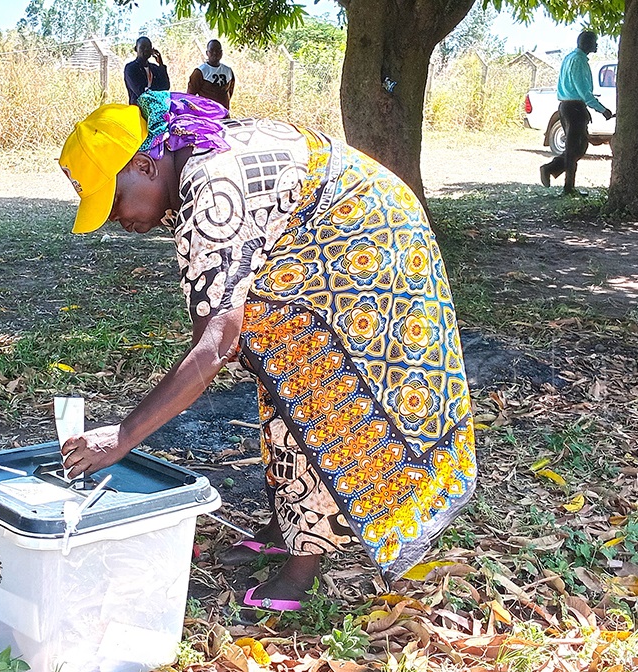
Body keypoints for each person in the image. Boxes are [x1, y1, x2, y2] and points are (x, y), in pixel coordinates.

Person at [57, 92, 477, 610]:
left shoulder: (214, 186)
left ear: (145, 164)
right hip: (323, 250)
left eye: (114, 202)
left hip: (370, 251)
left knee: (322, 387)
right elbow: (215, 313)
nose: (116, 219)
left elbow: (214, 344)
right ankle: (289, 527)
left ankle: (304, 569)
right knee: (272, 358)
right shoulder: (191, 171)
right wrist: (222, 342)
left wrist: (122, 436)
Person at [539, 31, 613, 196]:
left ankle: (555, 173)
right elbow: (584, 92)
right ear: (586, 44)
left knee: (578, 148)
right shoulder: (578, 61)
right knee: (575, 149)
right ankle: (564, 184)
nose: (596, 45)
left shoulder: (569, 57)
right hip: (574, 108)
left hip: (566, 106)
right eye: (594, 42)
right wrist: (602, 110)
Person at [186, 39, 235, 110]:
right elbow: (190, 96)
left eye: (218, 51)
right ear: (207, 53)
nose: (215, 53)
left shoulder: (228, 71)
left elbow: (230, 92)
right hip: (207, 115)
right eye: (211, 51)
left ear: (221, 53)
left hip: (224, 114)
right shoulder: (200, 71)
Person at [124, 37, 170, 105]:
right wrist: (157, 91)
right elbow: (140, 92)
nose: (146, 50)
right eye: (142, 47)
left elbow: (166, 87)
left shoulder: (155, 68)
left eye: (149, 47)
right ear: (136, 49)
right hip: (137, 110)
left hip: (156, 107)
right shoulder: (131, 68)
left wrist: (161, 64)